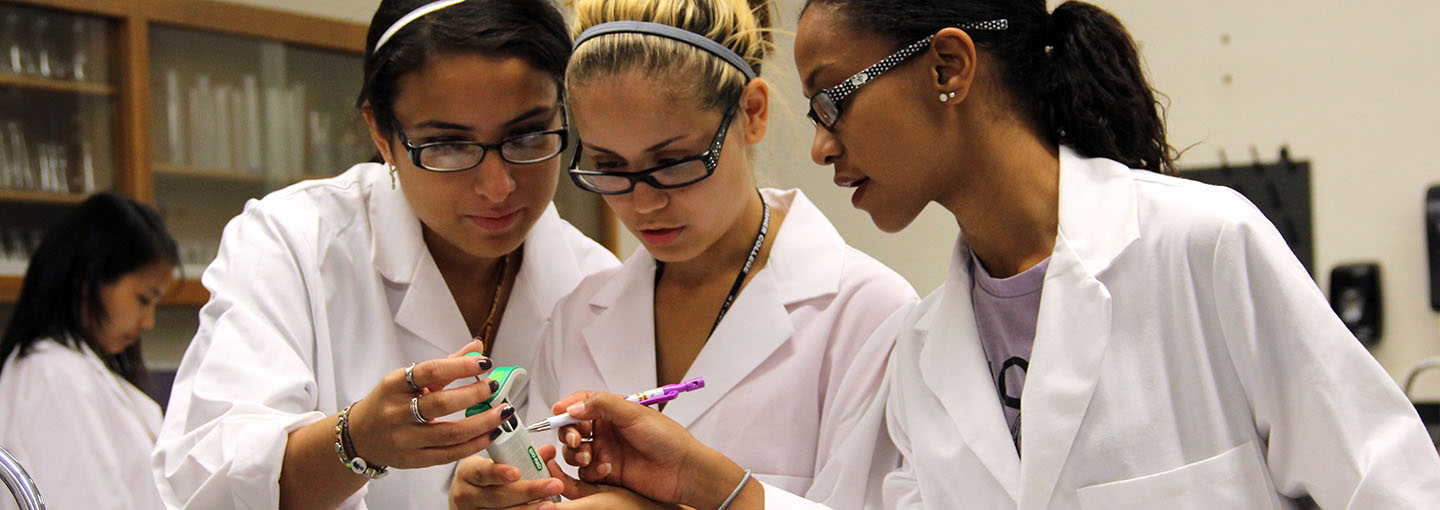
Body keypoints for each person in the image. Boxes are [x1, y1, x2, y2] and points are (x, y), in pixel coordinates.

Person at [541, 0, 1440, 508]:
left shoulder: (1201, 249)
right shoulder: (930, 349)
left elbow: (1393, 493)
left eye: (832, 101)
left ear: (948, 68)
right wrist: (713, 487)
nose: (820, 148)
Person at [446, 0, 918, 508]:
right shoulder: (577, 316)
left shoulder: (866, 312)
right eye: (609, 166)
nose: (644, 202)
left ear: (752, 114)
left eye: (672, 161)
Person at [150, 1, 621, 509]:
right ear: (382, 132)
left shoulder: (598, 283)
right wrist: (357, 441)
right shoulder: (294, 242)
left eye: (527, 136)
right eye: (447, 145)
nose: (497, 185)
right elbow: (204, 485)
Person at [0, 192, 178, 510]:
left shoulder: (73, 369)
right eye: (143, 299)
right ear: (90, 278)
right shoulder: (51, 375)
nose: (148, 321)